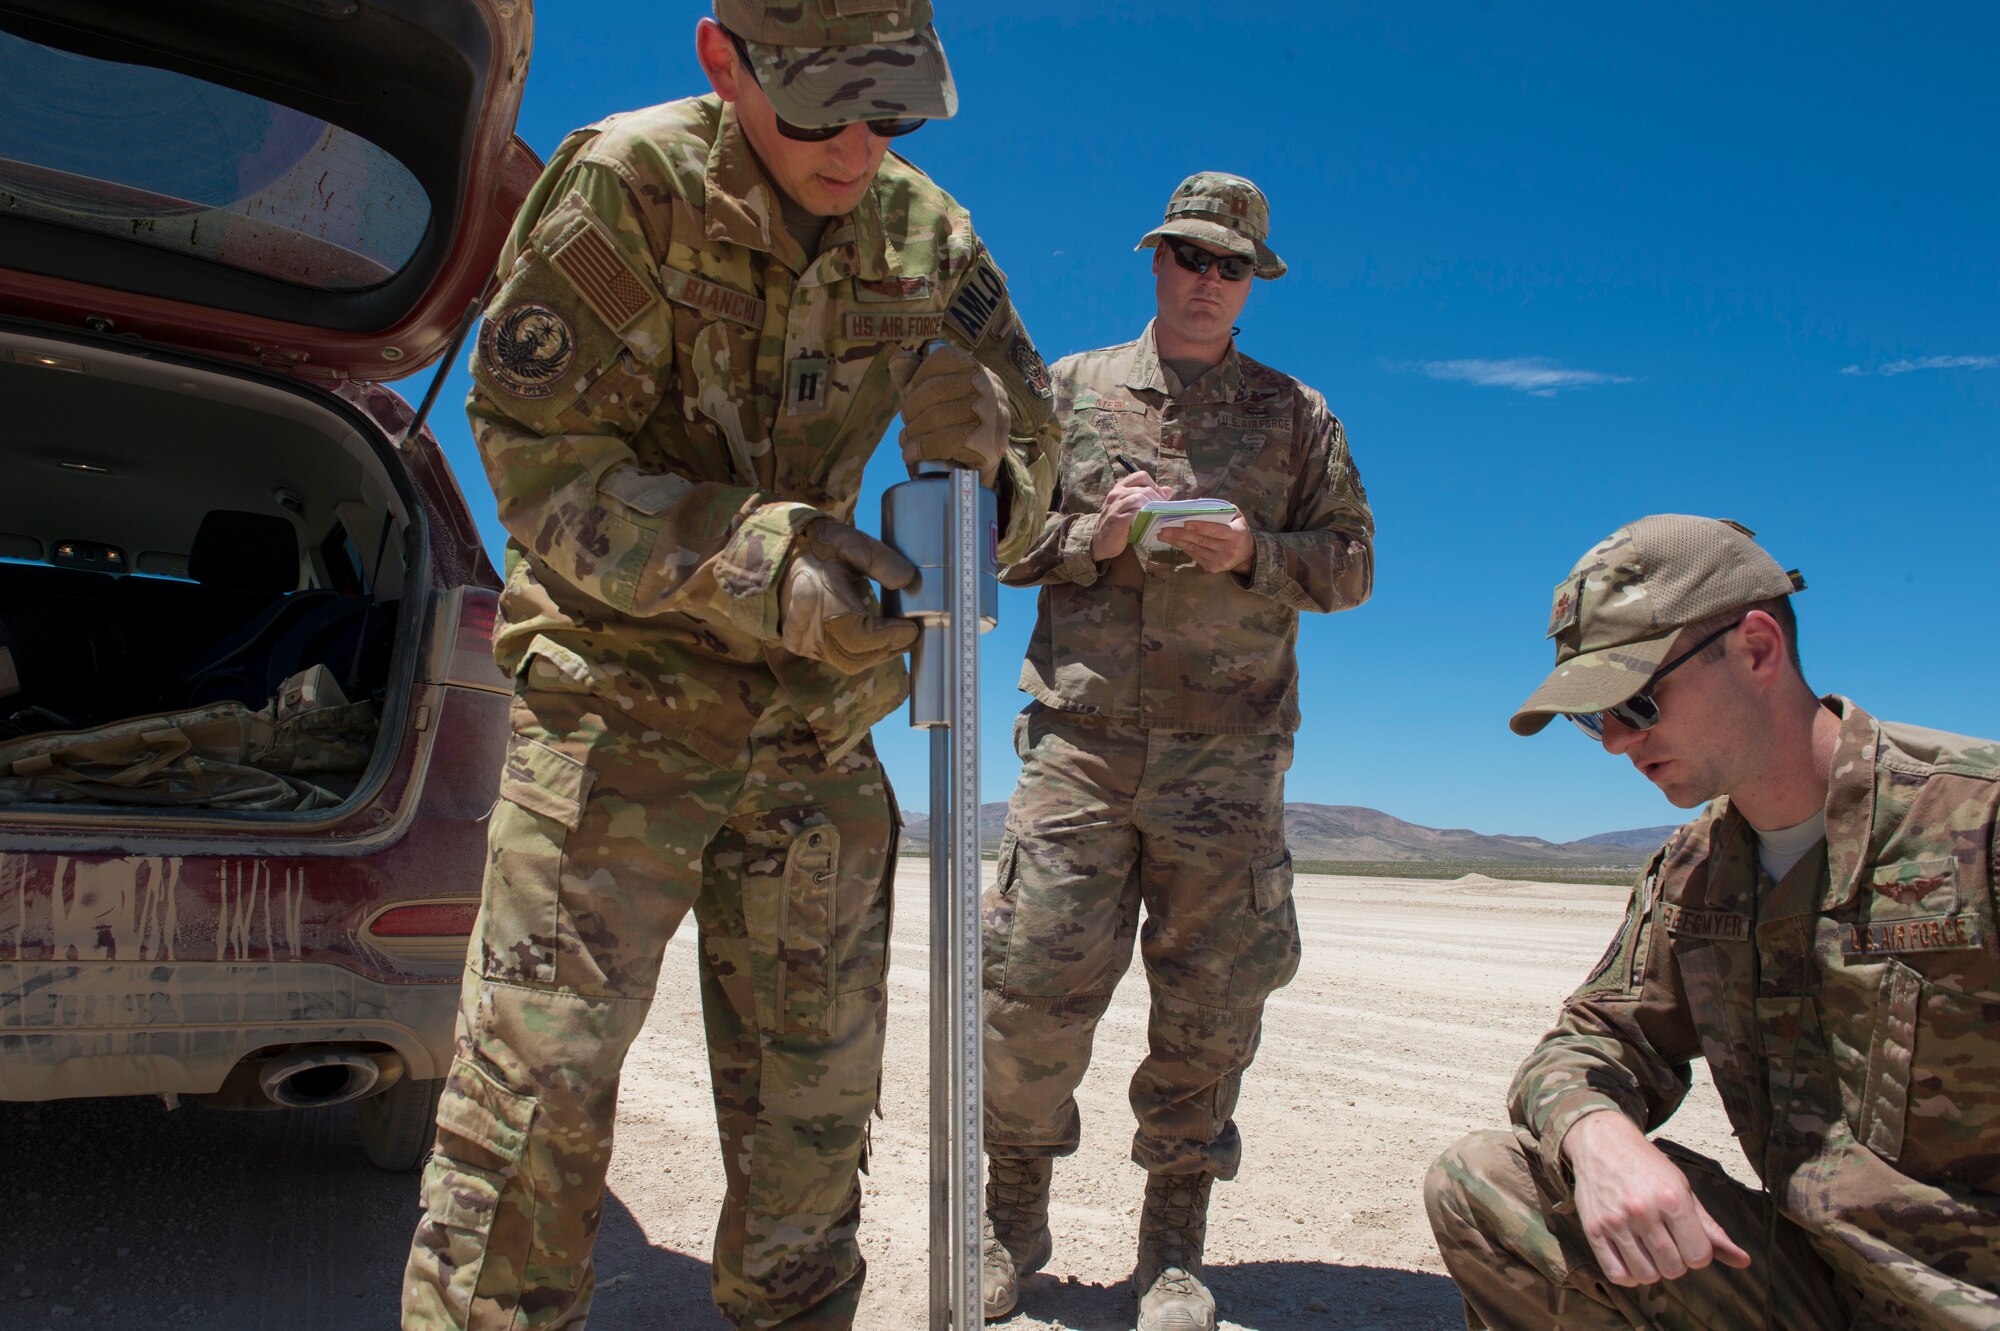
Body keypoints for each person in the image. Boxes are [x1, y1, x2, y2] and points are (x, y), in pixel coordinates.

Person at [400, 4, 1058, 1327]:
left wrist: (992, 471)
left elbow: (1040, 498)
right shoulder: (628, 184)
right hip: (613, 720)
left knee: (810, 1161)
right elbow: (535, 462)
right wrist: (778, 565)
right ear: (723, 59)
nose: (859, 145)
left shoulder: (930, 238)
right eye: (823, 107)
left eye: (895, 110)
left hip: (812, 744)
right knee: (527, 1129)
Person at [1425, 514, 2000, 1330]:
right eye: (1593, 718)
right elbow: (1589, 1040)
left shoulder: (1976, 824)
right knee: (1488, 1179)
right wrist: (1595, 1131)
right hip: (1817, 1288)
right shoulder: (1699, 868)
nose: (1616, 743)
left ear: (1757, 648)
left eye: (1635, 701)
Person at [977, 172, 1376, 1329]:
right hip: (1081, 747)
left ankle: (1173, 1248)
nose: (1207, 281)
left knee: (1208, 1003)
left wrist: (1253, 546)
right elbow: (1000, 539)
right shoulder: (1068, 390)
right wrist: (1088, 537)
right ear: (1153, 261)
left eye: (1230, 265)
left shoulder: (1297, 416)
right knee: (1030, 984)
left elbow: (1349, 563)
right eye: (1189, 257)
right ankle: (1011, 1218)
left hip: (1228, 759)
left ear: (1254, 282)